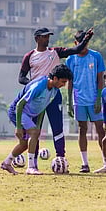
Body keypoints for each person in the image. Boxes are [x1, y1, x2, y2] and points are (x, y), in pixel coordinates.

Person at [17, 27, 93, 167]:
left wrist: (87, 38)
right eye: (44, 36)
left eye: (48, 36)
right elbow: (21, 78)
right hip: (37, 96)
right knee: (35, 129)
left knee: (57, 126)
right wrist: (34, 84)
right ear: (37, 38)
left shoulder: (55, 52)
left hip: (53, 96)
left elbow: (75, 50)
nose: (47, 39)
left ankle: (61, 157)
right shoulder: (29, 56)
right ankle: (33, 162)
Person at [1, 64, 73, 175]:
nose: (63, 85)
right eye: (63, 82)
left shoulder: (54, 90)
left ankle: (6, 163)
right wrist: (19, 127)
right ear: (55, 78)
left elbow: (42, 107)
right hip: (17, 111)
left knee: (24, 144)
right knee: (34, 133)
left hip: (28, 114)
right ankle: (31, 167)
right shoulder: (39, 86)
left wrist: (38, 126)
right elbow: (20, 104)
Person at [66, 30, 106, 173]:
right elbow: (70, 81)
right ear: (75, 43)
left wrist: (98, 98)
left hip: (93, 99)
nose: (84, 45)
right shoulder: (70, 59)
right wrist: (69, 102)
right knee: (82, 130)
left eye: (85, 42)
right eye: (81, 43)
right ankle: (84, 164)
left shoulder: (96, 56)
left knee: (101, 130)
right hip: (79, 100)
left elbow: (100, 79)